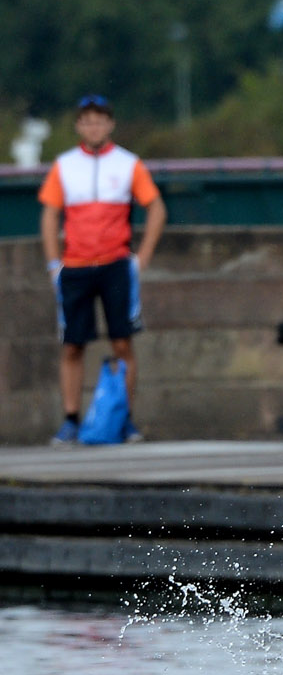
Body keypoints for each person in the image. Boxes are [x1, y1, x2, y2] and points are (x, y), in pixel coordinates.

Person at [38, 95, 165, 443]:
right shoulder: (64, 165)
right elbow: (49, 215)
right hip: (75, 267)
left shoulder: (128, 164)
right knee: (72, 345)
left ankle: (124, 419)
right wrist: (54, 264)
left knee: (123, 342)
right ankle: (70, 419)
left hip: (115, 265)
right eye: (87, 120)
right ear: (79, 126)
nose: (93, 126)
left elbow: (156, 208)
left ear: (110, 124)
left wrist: (142, 257)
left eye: (100, 120)